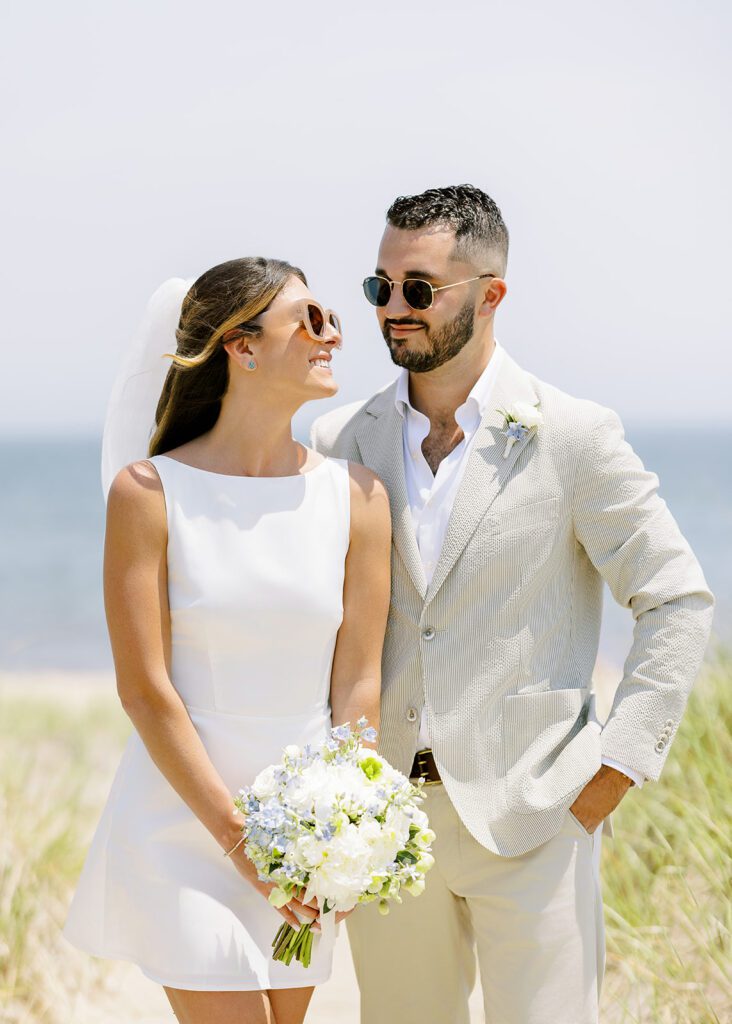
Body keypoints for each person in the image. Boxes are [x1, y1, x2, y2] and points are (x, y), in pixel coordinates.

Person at [310, 185, 714, 1024]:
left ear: (489, 294)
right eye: (379, 288)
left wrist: (613, 771)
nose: (393, 309)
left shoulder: (572, 434)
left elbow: (675, 598)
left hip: (537, 815)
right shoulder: (343, 441)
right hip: (385, 828)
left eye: (418, 289)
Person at [64, 257, 392, 1024]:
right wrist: (240, 842)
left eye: (332, 318)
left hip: (307, 831)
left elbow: (358, 683)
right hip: (184, 822)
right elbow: (145, 690)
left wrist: (346, 821)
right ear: (240, 347)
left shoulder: (359, 499)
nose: (332, 335)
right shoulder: (148, 495)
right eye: (309, 319)